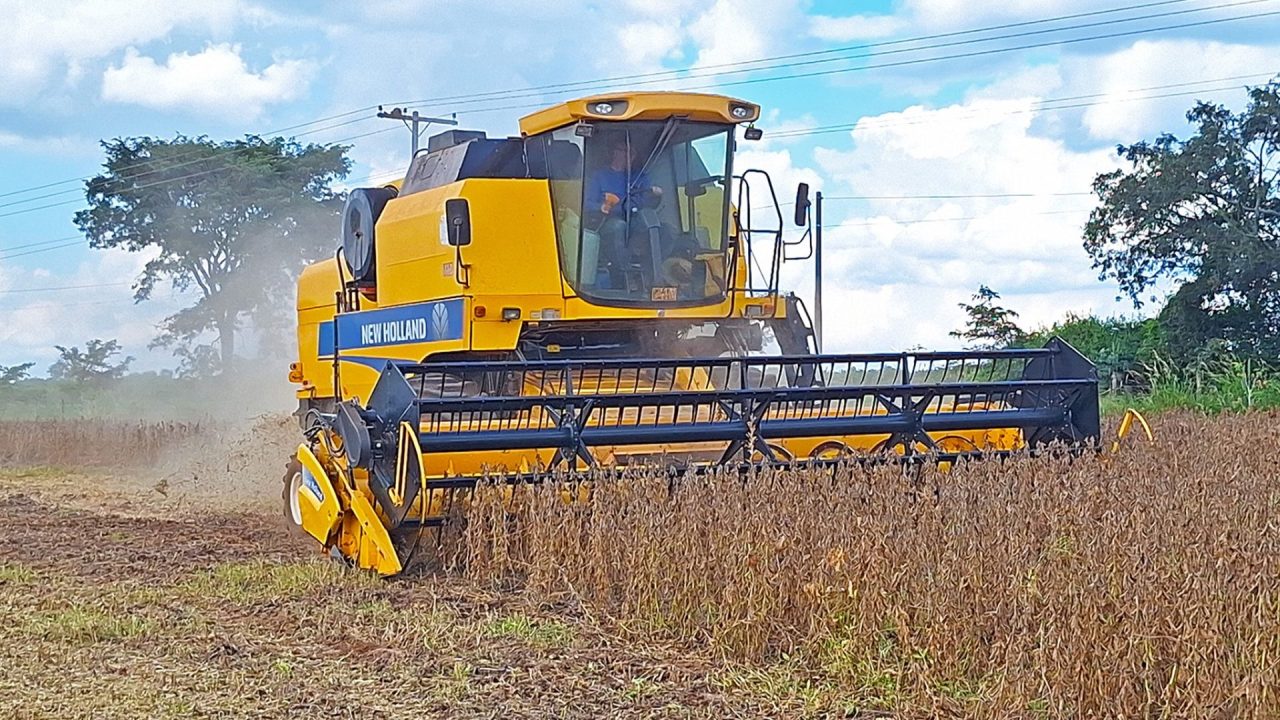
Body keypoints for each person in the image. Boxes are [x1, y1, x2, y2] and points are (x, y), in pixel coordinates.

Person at [585, 137, 663, 287]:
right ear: (615, 153)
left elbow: (648, 195)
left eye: (632, 153)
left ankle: (652, 273)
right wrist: (600, 207)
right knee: (618, 226)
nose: (629, 156)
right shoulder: (599, 176)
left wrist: (655, 193)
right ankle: (626, 275)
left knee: (663, 229)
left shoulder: (638, 177)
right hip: (607, 221)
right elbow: (587, 203)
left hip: (634, 220)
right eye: (625, 151)